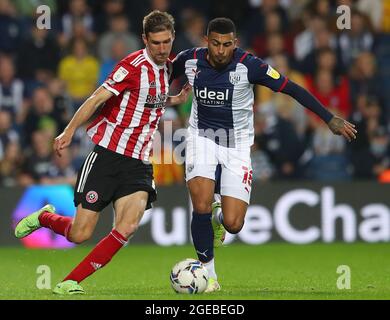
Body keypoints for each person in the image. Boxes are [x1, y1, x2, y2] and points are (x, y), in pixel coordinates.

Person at [171, 17, 357, 292]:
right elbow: (158, 75)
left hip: (238, 146)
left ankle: (219, 218)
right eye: (215, 44)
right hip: (202, 138)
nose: (221, 51)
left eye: (226, 45)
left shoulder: (251, 65)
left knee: (234, 224)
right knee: (200, 204)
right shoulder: (188, 60)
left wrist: (328, 118)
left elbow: (291, 88)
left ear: (235, 43)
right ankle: (209, 276)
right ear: (206, 41)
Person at [14, 10, 190, 295]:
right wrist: (69, 131)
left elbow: (147, 101)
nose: (162, 49)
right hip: (108, 157)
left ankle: (70, 281)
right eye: (156, 43)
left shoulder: (169, 67)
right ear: (145, 39)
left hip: (140, 162)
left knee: (128, 226)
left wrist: (174, 100)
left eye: (167, 42)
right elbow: (97, 98)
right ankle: (46, 217)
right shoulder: (131, 66)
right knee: (80, 234)